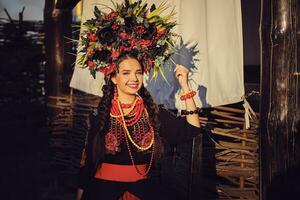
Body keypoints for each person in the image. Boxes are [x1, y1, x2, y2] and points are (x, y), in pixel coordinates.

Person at [74, 1, 203, 199]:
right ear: (114, 77)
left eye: (138, 73)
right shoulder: (101, 114)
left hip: (143, 193)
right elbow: (88, 163)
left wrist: (185, 86)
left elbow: (191, 130)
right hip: (101, 193)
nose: (134, 79)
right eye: (126, 73)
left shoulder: (151, 113)